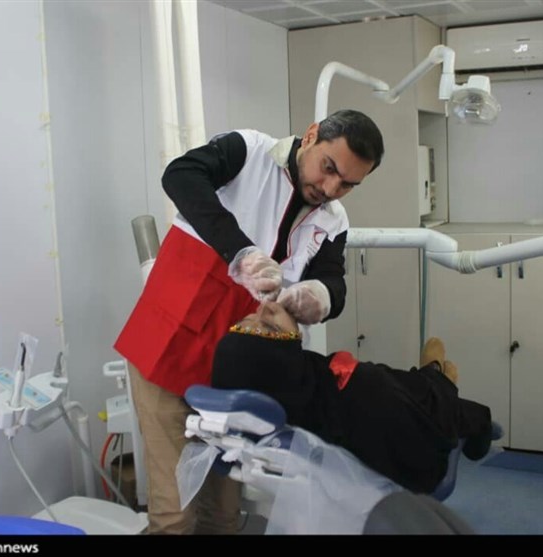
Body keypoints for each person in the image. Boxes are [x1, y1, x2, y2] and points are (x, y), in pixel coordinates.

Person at [114, 110, 385, 534]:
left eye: (348, 184)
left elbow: (335, 282)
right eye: (329, 168)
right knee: (174, 516)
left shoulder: (333, 220)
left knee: (224, 516)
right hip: (168, 348)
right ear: (311, 136)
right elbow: (180, 176)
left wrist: (320, 296)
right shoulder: (249, 152)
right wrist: (240, 250)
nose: (331, 188)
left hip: (234, 376)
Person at [210, 302, 494, 495]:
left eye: (247, 319)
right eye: (270, 328)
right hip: (408, 405)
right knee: (430, 393)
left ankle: (431, 374)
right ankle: (438, 375)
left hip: (372, 393)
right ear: (283, 363)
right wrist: (444, 390)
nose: (265, 307)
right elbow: (432, 433)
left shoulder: (304, 391)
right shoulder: (363, 394)